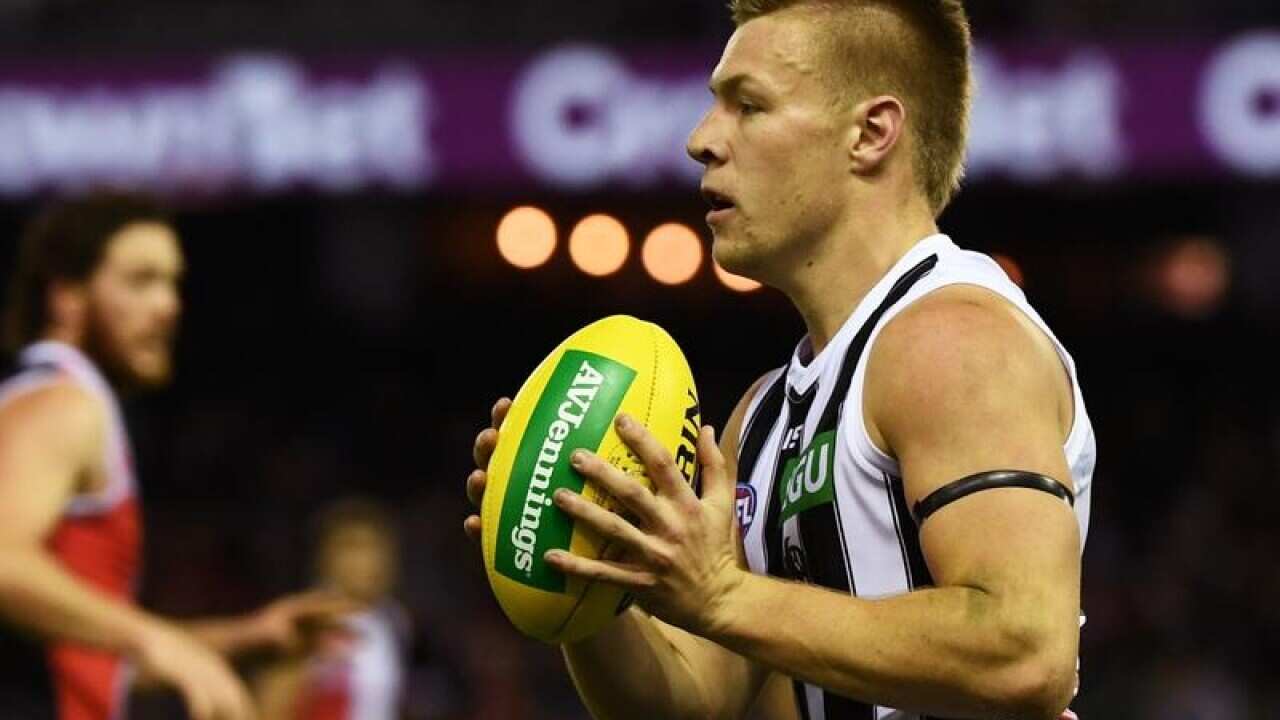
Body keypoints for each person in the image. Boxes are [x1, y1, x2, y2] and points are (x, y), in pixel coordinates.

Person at [465, 1, 1094, 718]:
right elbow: (697, 699)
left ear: (871, 133)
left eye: (748, 106)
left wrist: (725, 594)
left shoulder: (954, 341)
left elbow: (1025, 652)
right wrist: (583, 566)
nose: (701, 140)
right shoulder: (761, 417)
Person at [0, 192, 352, 720]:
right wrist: (150, 638)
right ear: (66, 296)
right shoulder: (64, 403)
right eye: (141, 280)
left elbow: (83, 659)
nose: (169, 305)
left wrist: (239, 637)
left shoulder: (48, 398)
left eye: (172, 283)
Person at [255, 498, 407, 720]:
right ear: (325, 556)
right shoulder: (310, 618)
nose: (366, 560)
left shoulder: (394, 621)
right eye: (351, 547)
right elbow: (269, 706)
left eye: (375, 547)